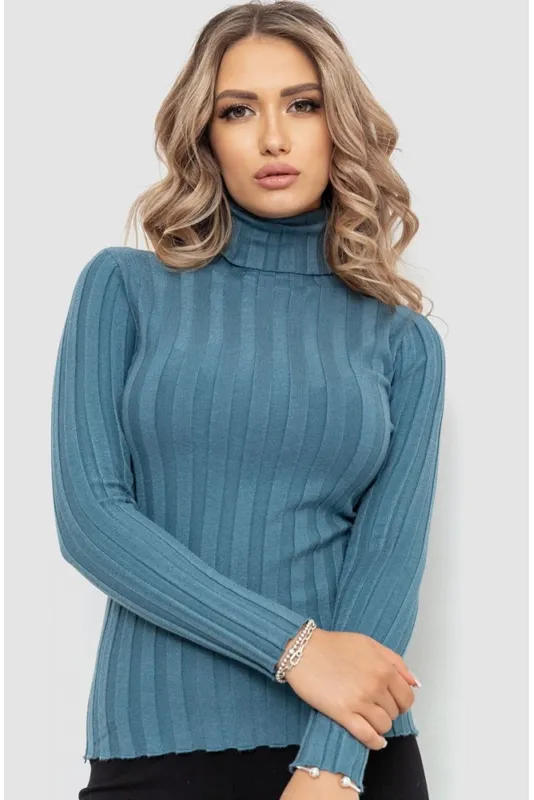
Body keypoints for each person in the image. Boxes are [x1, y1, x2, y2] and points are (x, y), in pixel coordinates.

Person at [51, 2, 446, 798]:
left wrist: (332, 765)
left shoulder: (403, 340)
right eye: (238, 111)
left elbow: (388, 566)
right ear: (205, 134)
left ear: (340, 123)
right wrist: (296, 651)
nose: (273, 138)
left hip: (347, 756)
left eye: (303, 105)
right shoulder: (124, 289)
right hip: (159, 749)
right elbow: (92, 520)